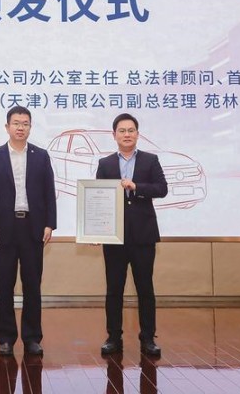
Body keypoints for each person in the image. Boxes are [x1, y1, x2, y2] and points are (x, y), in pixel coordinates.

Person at [0, 106, 57, 357]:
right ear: (7, 127)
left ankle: (32, 338)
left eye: (25, 123)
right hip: (3, 230)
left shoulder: (41, 156)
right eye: (16, 123)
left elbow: (49, 193)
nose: (20, 127)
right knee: (4, 285)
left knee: (32, 285)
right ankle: (5, 339)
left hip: (33, 228)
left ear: (30, 127)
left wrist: (50, 223)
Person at [96, 113, 167, 357]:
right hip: (114, 237)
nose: (127, 134)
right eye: (122, 130)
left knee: (145, 288)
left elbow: (162, 189)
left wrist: (137, 187)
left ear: (137, 134)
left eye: (131, 130)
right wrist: (95, 228)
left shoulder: (150, 160)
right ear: (114, 135)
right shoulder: (105, 164)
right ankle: (113, 337)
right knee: (113, 289)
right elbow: (98, 198)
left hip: (143, 235)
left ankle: (148, 338)